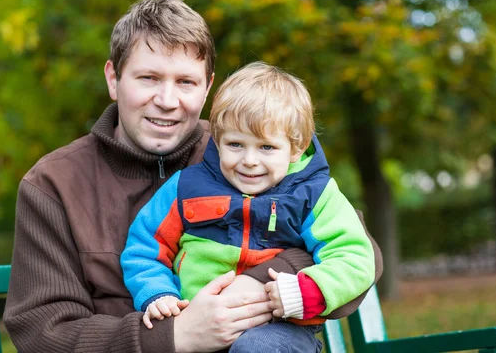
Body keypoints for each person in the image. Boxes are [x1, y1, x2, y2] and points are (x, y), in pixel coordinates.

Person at [3, 0, 382, 353]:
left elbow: (360, 251)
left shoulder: (244, 151)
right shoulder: (53, 185)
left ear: (207, 90)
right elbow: (42, 332)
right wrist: (176, 336)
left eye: (185, 82)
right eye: (148, 78)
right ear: (113, 79)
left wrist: (254, 288)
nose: (167, 101)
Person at [121, 62, 376, 352]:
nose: (250, 160)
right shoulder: (185, 188)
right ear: (217, 139)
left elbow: (353, 255)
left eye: (266, 147)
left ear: (296, 147)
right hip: (198, 325)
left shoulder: (314, 195)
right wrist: (157, 293)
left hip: (280, 330)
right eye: (235, 145)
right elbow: (144, 247)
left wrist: (307, 290)